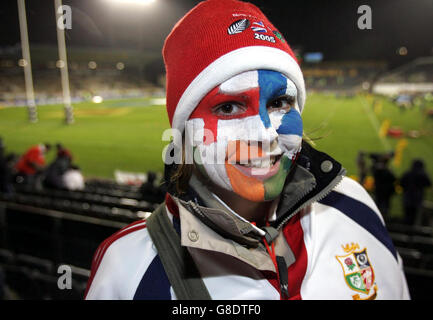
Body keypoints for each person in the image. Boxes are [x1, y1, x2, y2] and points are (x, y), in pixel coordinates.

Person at [85, 0, 409, 300]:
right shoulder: (127, 271)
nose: (265, 135)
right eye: (228, 108)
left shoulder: (354, 205)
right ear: (183, 134)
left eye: (280, 102)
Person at [400, 159, 432, 226]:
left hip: (407, 197)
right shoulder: (422, 174)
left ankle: (406, 230)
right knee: (415, 217)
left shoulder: (407, 173)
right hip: (417, 198)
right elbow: (428, 183)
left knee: (407, 215)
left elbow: (401, 183)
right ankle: (412, 232)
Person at [371, 154, 396, 220]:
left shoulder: (376, 169)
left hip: (378, 190)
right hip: (386, 192)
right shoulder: (387, 171)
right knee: (385, 206)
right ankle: (384, 218)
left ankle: (376, 218)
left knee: (378, 204)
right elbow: (393, 179)